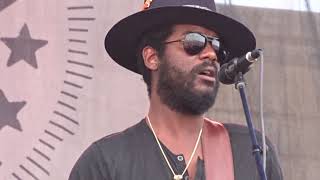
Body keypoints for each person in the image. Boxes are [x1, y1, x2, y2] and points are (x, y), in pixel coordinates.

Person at [69, 0, 283, 180]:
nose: (211, 54)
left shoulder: (252, 152)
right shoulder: (104, 163)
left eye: (216, 45)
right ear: (152, 58)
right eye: (194, 41)